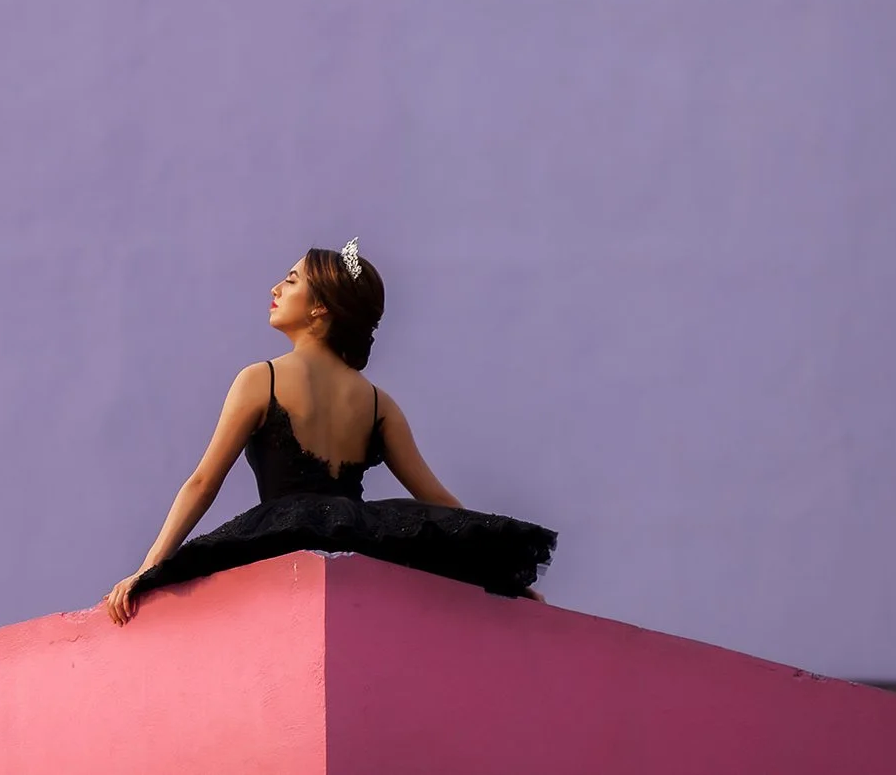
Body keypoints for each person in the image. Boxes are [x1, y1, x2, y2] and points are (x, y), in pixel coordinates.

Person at [103, 239, 556, 625]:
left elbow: (204, 482)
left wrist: (148, 568)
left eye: (292, 280)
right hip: (356, 538)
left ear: (320, 307)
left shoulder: (261, 378)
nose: (275, 289)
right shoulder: (379, 402)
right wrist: (499, 576)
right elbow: (440, 504)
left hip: (278, 536)